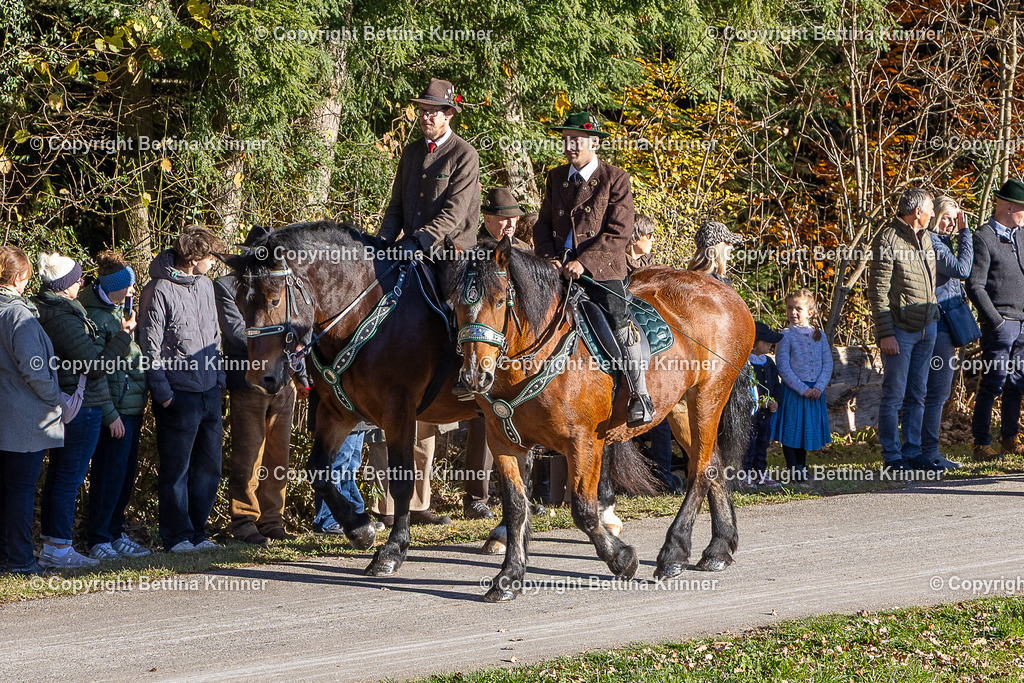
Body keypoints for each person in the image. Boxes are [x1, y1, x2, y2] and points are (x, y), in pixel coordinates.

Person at [370, 77, 481, 526]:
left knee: (455, 309)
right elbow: (396, 205)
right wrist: (378, 243)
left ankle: (464, 372)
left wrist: (417, 243)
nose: (426, 116)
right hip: (408, 248)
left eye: (434, 111)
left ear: (450, 114)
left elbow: (454, 215)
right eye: (422, 110)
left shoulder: (464, 154)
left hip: (449, 254)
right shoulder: (412, 152)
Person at [532, 111, 652, 426]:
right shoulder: (556, 177)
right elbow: (542, 226)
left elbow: (618, 232)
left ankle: (639, 394)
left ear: (594, 142)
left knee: (619, 321)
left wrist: (582, 263)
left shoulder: (616, 179)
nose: (570, 146)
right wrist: (548, 258)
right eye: (566, 139)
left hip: (602, 271)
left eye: (577, 140)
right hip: (556, 269)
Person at [34, 252, 133, 569]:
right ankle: (59, 547)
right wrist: (123, 336)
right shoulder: (64, 318)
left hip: (75, 402)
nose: (82, 282)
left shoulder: (59, 312)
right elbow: (94, 366)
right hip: (82, 405)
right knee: (68, 479)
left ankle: (54, 545)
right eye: (78, 279)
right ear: (64, 286)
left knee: (60, 477)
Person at [138, 226, 226, 552]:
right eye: (209, 256)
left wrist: (219, 381)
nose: (213, 262)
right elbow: (150, 345)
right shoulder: (158, 289)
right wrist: (163, 393)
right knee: (177, 470)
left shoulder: (206, 286)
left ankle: (197, 533)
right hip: (178, 394)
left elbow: (215, 336)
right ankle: (176, 536)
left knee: (208, 467)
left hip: (209, 393)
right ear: (193, 257)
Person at [215, 225, 296, 546]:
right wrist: (274, 339)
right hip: (247, 379)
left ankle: (272, 519)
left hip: (283, 378)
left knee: (279, 455)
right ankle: (244, 520)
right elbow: (235, 333)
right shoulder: (225, 286)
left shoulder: (282, 284)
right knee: (248, 455)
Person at [81, 251, 152, 559]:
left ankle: (115, 531)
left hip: (131, 409)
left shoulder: (118, 314)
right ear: (114, 286)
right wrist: (110, 414)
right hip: (115, 412)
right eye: (129, 285)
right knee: (108, 477)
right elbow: (96, 372)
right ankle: (99, 537)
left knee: (123, 478)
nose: (133, 291)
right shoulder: (97, 318)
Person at [0, 247, 63, 575]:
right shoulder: (17, 314)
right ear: (19, 277)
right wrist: (56, 396)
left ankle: (6, 557)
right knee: (21, 491)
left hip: (5, 415)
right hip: (24, 418)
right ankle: (22, 560)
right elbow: (35, 368)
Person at [867, 187, 939, 471]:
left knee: (917, 394)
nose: (933, 213)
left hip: (926, 328)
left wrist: (933, 316)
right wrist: (886, 333)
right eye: (931, 208)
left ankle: (913, 452)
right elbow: (878, 292)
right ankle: (893, 457)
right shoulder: (888, 240)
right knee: (894, 395)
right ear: (917, 212)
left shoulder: (928, 237)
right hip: (899, 331)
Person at [966, 178, 1024, 461]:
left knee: (1017, 383)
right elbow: (975, 285)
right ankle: (981, 444)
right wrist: (996, 321)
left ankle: (1010, 439)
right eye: (1023, 209)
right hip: (1001, 323)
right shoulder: (984, 236)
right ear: (1010, 207)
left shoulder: (1022, 235)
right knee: (993, 382)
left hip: (1023, 323)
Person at [920, 197, 971, 470]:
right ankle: (928, 453)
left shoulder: (940, 241)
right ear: (935, 214)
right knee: (936, 393)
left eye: (956, 219)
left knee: (932, 392)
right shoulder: (934, 243)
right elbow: (962, 269)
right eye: (948, 217)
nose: (952, 223)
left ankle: (924, 451)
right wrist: (966, 234)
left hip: (941, 327)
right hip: (937, 327)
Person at [770, 290, 832, 480]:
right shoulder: (785, 336)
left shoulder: (819, 335)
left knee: (805, 430)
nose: (793, 312)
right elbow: (783, 366)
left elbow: (827, 363)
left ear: (810, 312)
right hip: (795, 391)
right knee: (792, 430)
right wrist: (802, 389)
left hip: (815, 391)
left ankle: (803, 467)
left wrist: (818, 387)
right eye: (790, 308)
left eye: (798, 308)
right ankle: (793, 468)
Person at [744, 321, 782, 489]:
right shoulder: (745, 364)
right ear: (753, 343)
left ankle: (760, 473)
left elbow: (776, 385)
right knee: (748, 444)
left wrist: (775, 400)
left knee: (763, 443)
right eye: (765, 341)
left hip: (766, 414)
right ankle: (744, 474)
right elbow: (743, 389)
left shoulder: (769, 363)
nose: (769, 344)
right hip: (750, 414)